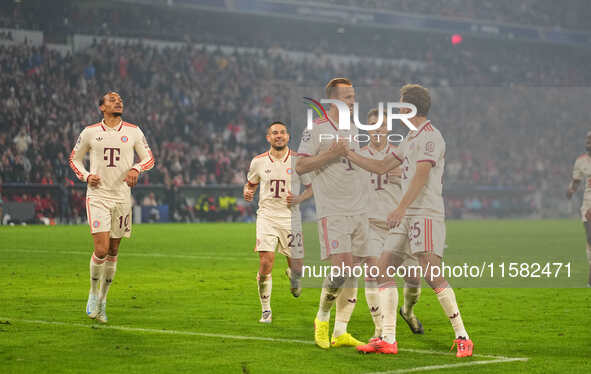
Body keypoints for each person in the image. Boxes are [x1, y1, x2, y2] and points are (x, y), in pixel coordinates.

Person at [346, 84, 473, 357]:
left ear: (410, 108)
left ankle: (462, 336)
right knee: (383, 268)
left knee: (430, 272)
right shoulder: (409, 138)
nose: (398, 108)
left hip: (424, 213)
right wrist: (348, 154)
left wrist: (400, 208)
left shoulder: (430, 138)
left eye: (401, 104)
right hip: (407, 216)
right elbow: (381, 166)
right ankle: (388, 338)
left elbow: (421, 175)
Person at [69, 92, 154, 323]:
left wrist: (137, 169)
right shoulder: (90, 132)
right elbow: (74, 159)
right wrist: (86, 176)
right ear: (101, 107)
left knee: (114, 251)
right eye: (112, 99)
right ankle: (93, 294)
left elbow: (149, 158)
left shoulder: (133, 131)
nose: (118, 102)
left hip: (122, 198)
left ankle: (104, 301)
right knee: (101, 249)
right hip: (98, 196)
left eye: (120, 100)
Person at [296, 78, 367, 349]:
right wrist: (330, 154)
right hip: (333, 209)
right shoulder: (315, 129)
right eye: (348, 97)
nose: (353, 101)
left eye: (353, 96)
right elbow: (300, 166)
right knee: (342, 269)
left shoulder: (355, 128)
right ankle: (322, 318)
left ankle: (340, 331)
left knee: (353, 272)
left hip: (358, 208)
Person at [358, 108, 424, 343]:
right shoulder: (357, 156)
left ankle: (407, 311)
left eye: (382, 124)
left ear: (388, 129)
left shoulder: (402, 155)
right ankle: (379, 331)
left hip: (398, 227)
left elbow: (418, 186)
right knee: (375, 273)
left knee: (414, 278)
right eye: (373, 124)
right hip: (371, 225)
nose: (377, 128)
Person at [244, 121, 313, 323]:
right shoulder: (258, 161)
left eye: (282, 133)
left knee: (298, 268)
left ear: (288, 137)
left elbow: (311, 188)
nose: (279, 136)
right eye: (274, 133)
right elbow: (250, 185)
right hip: (267, 217)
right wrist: (247, 193)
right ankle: (266, 310)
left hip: (291, 218)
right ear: (268, 137)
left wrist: (299, 199)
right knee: (266, 262)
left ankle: (294, 275)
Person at [566, 131, 591, 288]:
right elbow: (576, 180)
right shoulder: (581, 162)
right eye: (588, 139)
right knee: (590, 240)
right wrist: (571, 190)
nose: (588, 142)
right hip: (588, 208)